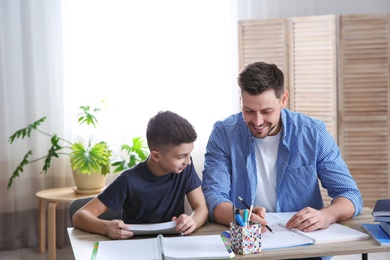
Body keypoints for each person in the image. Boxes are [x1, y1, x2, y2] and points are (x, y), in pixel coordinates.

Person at [202, 61, 363, 234]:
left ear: (283, 99)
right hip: (246, 242)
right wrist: (239, 215)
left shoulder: (313, 134)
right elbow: (214, 197)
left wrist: (327, 215)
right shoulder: (223, 134)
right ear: (241, 100)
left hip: (304, 244)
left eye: (266, 112)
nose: (257, 122)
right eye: (248, 111)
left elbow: (350, 195)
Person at [73, 111, 208, 239]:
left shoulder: (184, 170)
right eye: (181, 156)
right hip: (134, 246)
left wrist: (192, 221)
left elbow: (201, 207)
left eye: (189, 154)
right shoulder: (128, 180)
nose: (188, 161)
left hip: (174, 245)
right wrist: (106, 227)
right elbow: (79, 216)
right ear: (156, 156)